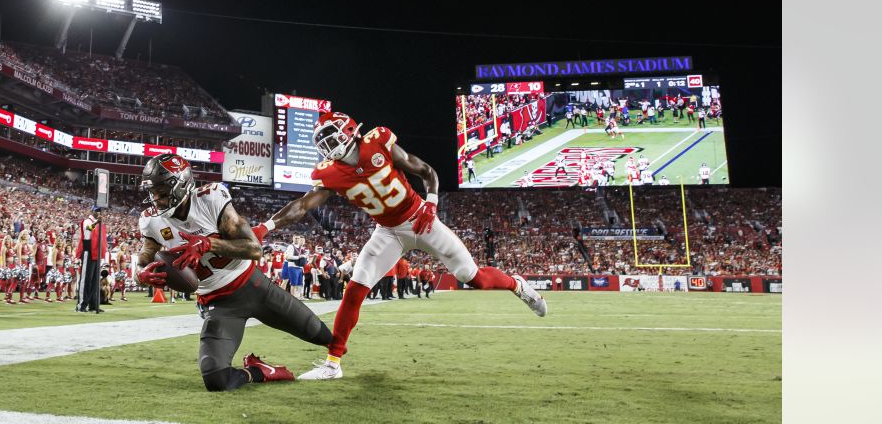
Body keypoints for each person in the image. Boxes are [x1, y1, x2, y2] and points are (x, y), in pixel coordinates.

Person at [254, 111, 547, 380]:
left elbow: (426, 171)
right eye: (323, 142)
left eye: (331, 137)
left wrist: (432, 205)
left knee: (473, 277)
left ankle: (516, 285)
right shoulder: (328, 173)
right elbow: (303, 205)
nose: (328, 147)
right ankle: (332, 364)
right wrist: (265, 227)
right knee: (355, 289)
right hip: (388, 232)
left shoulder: (378, 142)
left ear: (350, 132)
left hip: (421, 219)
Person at [134, 153, 332, 391]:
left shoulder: (210, 199)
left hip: (255, 287)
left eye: (162, 192)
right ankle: (260, 371)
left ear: (182, 185)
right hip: (218, 304)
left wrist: (208, 244)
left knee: (322, 335)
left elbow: (254, 249)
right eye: (152, 192)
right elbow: (145, 257)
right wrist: (140, 272)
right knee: (215, 378)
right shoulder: (151, 221)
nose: (155, 199)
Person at [76, 208, 107, 313]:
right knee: (86, 280)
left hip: (96, 252)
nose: (99, 213)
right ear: (92, 211)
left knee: (95, 281)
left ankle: (93, 304)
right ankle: (81, 305)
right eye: (97, 211)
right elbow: (89, 229)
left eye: (100, 211)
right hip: (88, 251)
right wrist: (98, 222)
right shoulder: (87, 221)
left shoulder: (100, 223)